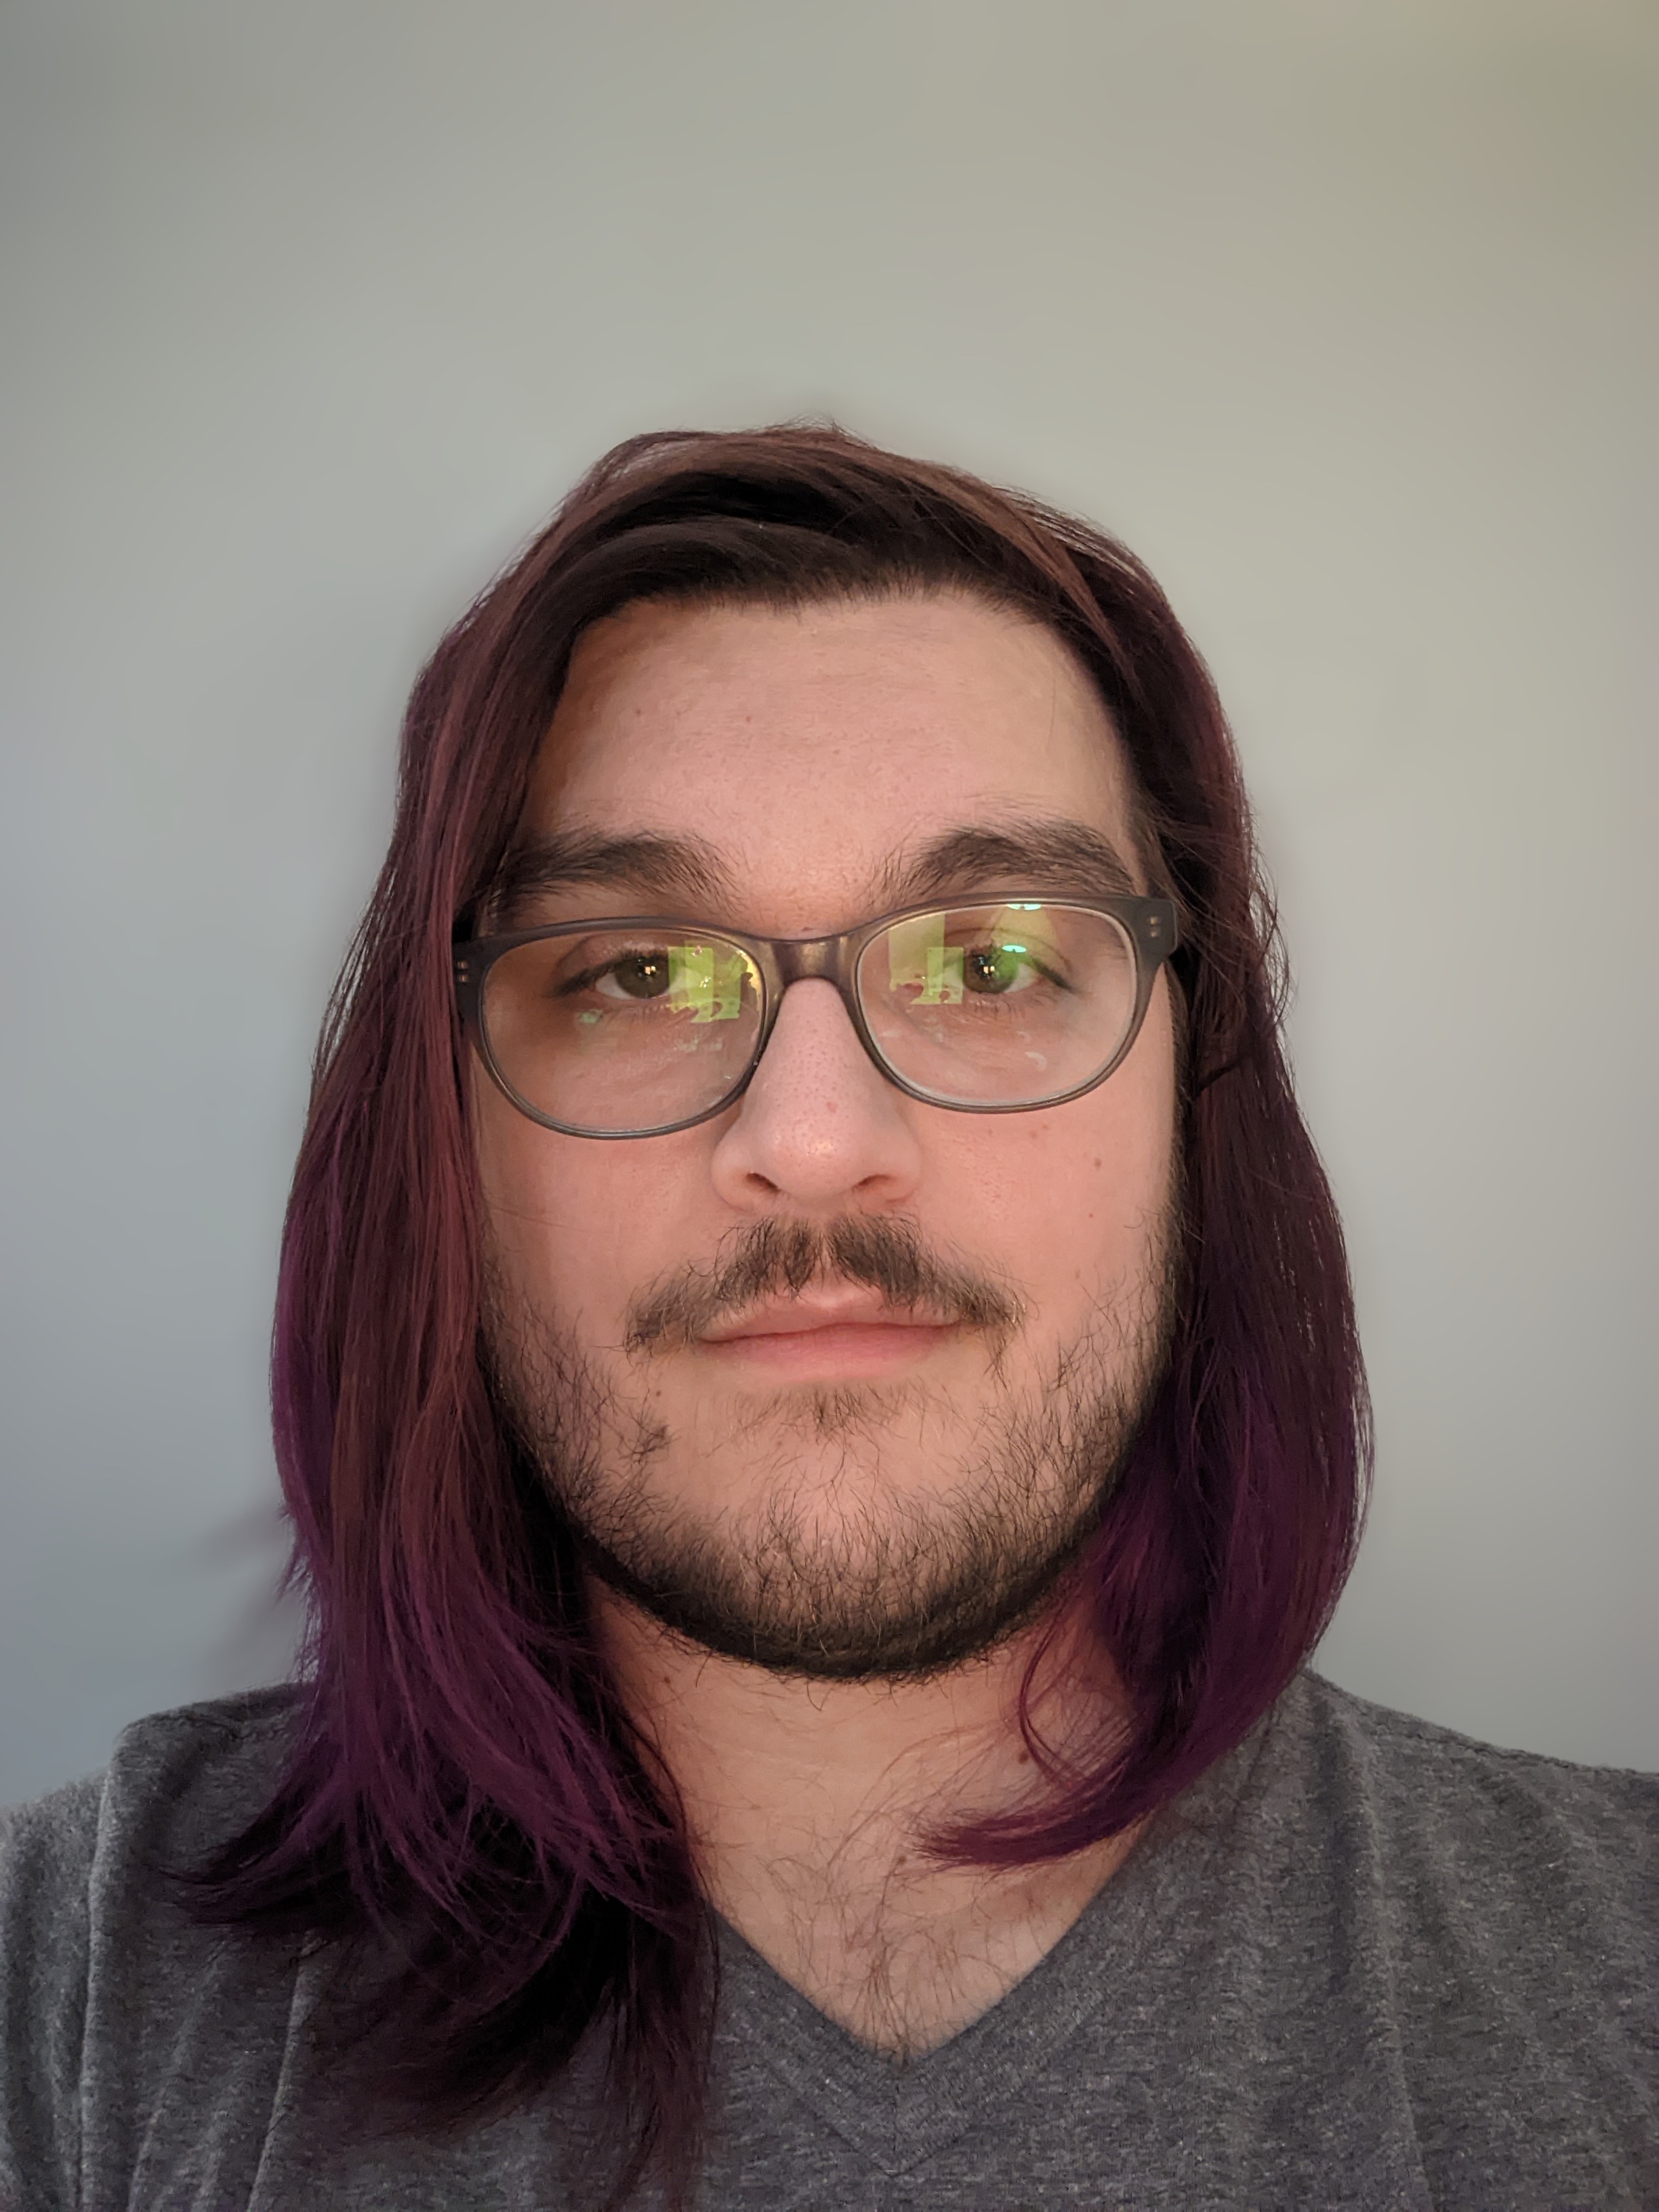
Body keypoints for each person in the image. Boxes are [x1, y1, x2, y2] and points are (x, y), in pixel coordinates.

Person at [1, 426, 1651, 2212]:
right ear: (442, 1136)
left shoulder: (1612, 1985)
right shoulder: (68, 2023)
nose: (810, 1145)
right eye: (637, 972)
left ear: (1197, 1096)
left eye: (993, 960)